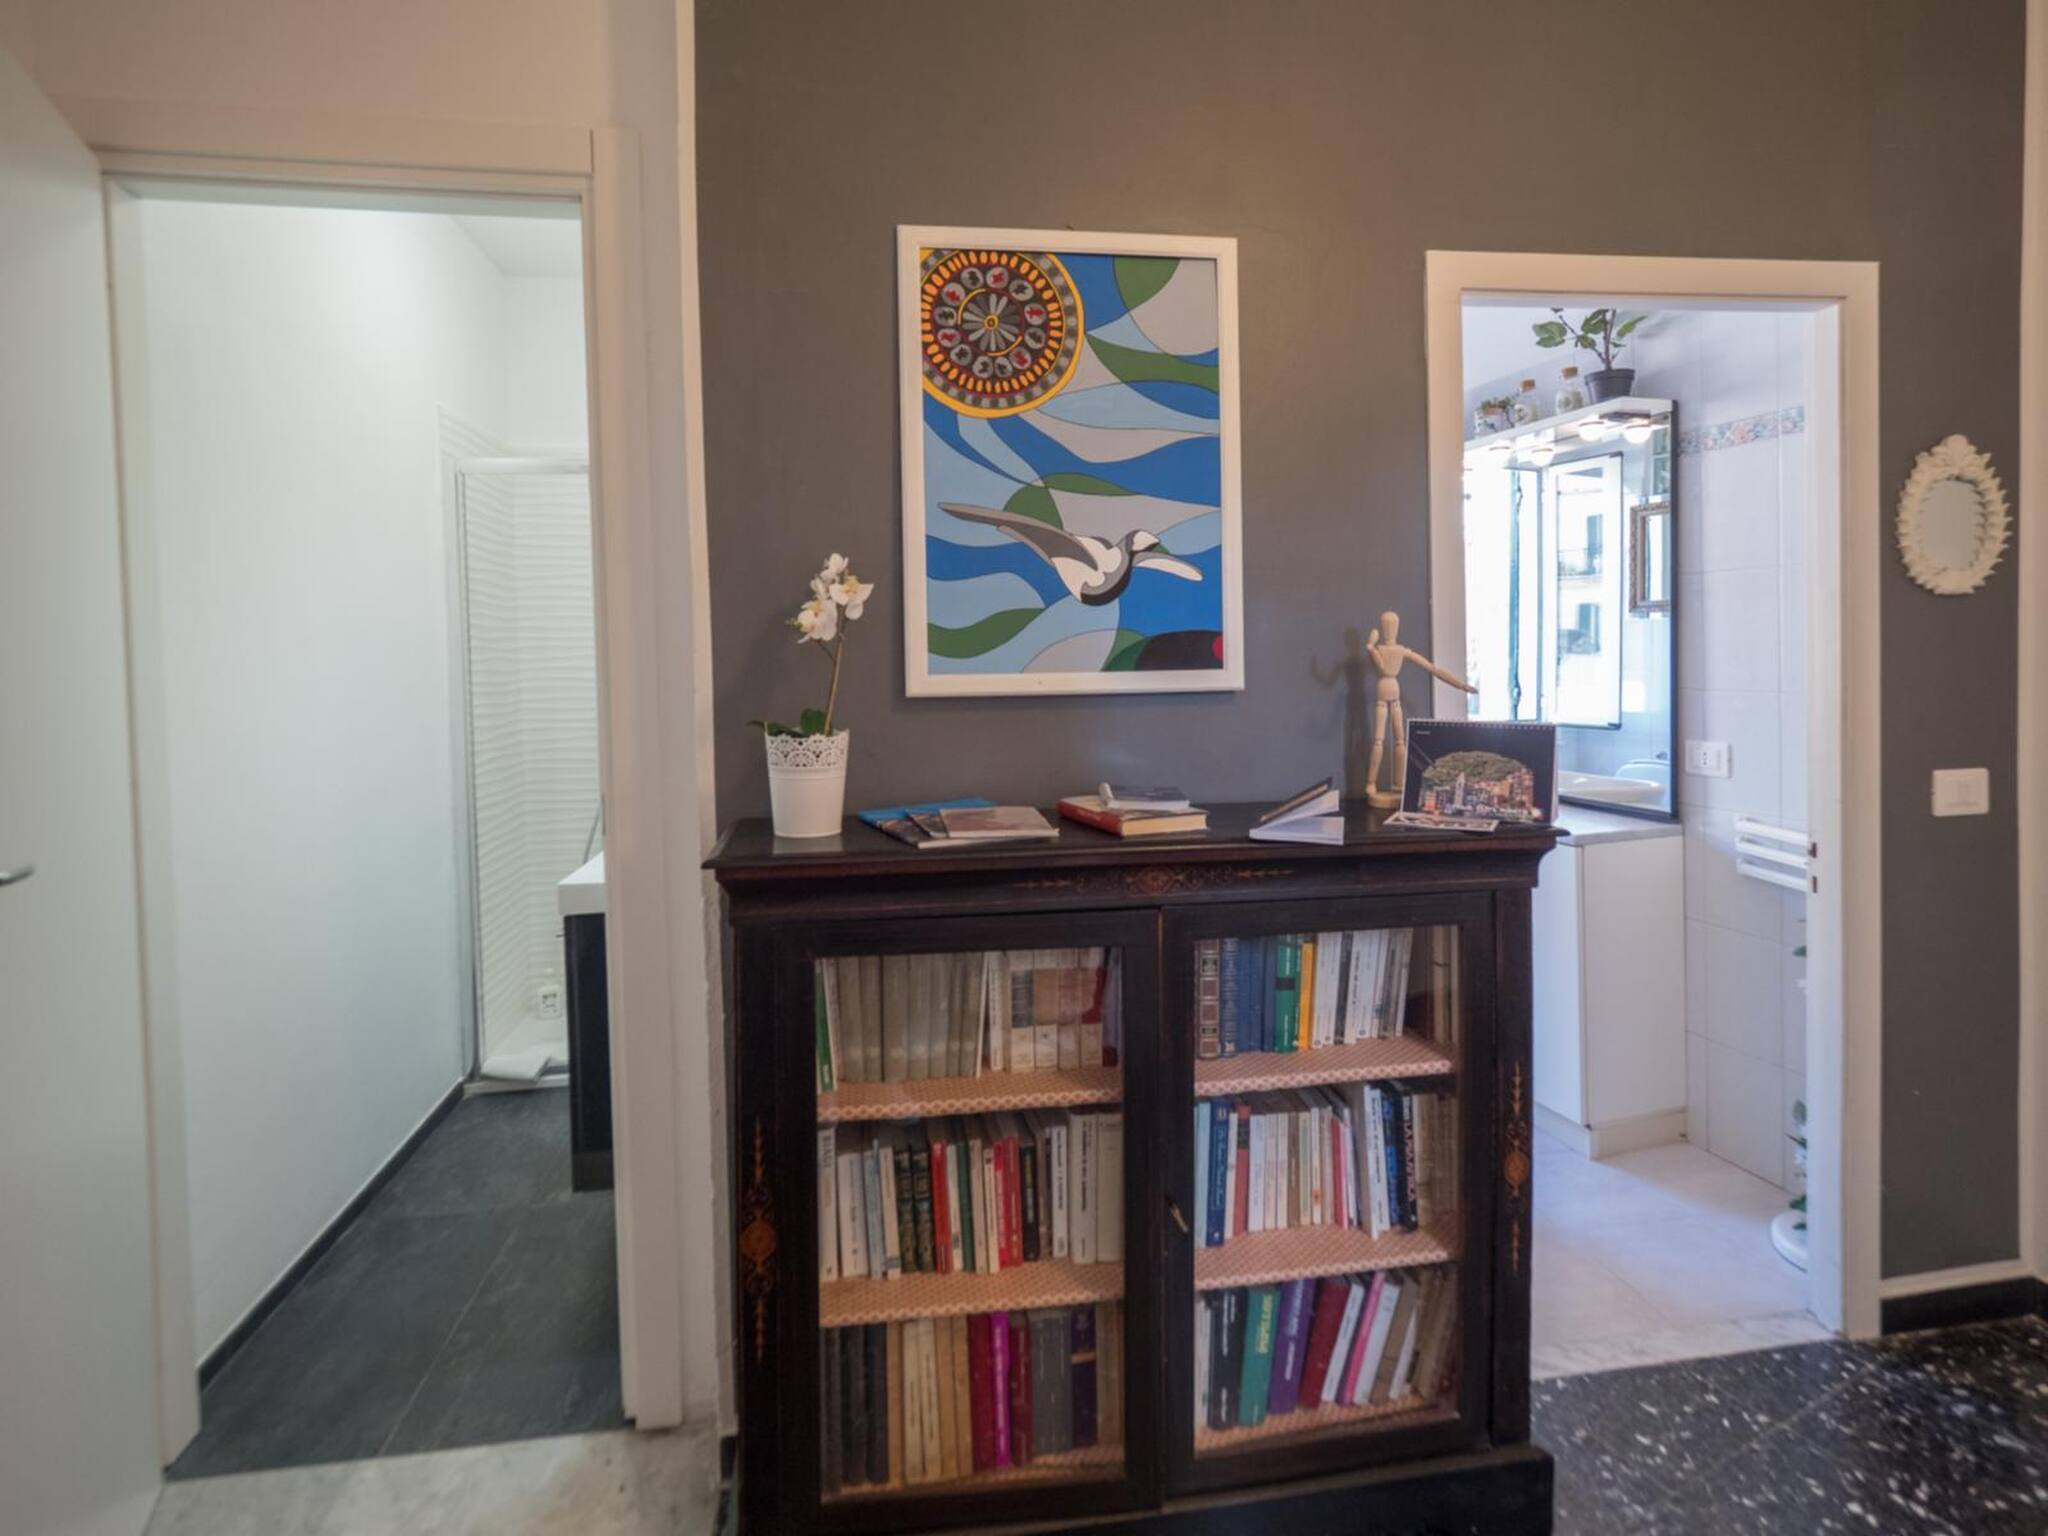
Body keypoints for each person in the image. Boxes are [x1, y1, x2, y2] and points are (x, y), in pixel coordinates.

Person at [1364, 610, 1477, 808]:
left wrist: (1460, 685)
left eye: (1392, 625)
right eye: (1388, 625)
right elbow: (1384, 668)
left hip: (1393, 693)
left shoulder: (1398, 650)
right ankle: (1371, 782)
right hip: (1385, 692)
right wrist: (1372, 649)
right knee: (1380, 739)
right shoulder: (1388, 650)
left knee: (1399, 740)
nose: (1390, 629)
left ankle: (1399, 783)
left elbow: (1433, 669)